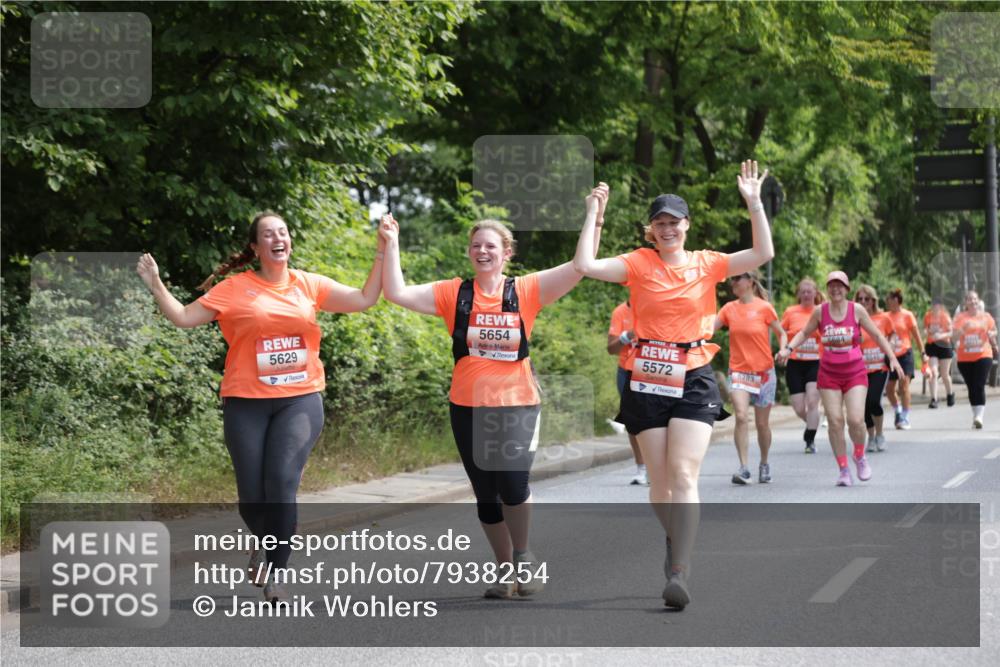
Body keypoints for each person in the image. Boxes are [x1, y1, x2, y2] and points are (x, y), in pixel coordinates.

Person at [135, 210, 386, 603]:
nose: (277, 238)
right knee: (252, 496)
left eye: (283, 232)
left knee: (281, 483)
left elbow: (366, 298)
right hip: (246, 401)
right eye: (268, 234)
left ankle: (277, 572)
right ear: (255, 247)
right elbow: (184, 317)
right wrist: (156, 285)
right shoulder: (235, 288)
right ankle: (264, 542)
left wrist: (383, 251)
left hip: (300, 399)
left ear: (289, 242)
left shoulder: (308, 284)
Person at [380, 184, 609, 600]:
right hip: (466, 406)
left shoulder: (526, 291)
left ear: (507, 253)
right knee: (485, 494)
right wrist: (390, 244)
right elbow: (395, 293)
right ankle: (504, 571)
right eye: (476, 246)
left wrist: (593, 215)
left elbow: (579, 266)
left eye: (491, 246)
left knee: (513, 483)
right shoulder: (454, 292)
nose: (482, 251)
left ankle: (523, 555)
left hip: (517, 403)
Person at [574, 159, 773, 610]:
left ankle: (681, 570)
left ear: (687, 225)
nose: (667, 229)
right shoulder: (638, 263)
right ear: (651, 230)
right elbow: (584, 264)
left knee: (684, 474)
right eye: (659, 223)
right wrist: (593, 216)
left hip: (695, 373)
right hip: (647, 375)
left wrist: (754, 203)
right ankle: (673, 539)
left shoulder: (707, 263)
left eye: (674, 222)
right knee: (660, 484)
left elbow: (761, 255)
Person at [777, 272, 904, 487]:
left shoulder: (857, 310)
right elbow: (804, 332)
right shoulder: (820, 311)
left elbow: (877, 335)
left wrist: (893, 359)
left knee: (856, 420)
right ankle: (844, 469)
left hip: (854, 371)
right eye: (831, 286)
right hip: (829, 373)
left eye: (840, 286)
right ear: (827, 289)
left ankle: (859, 455)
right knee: (835, 422)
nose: (835, 289)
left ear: (846, 288)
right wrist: (788, 349)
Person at [714, 272, 786, 484]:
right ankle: (744, 468)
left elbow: (781, 332)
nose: (733, 282)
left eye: (737, 278)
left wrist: (783, 350)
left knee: (762, 424)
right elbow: (707, 330)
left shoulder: (764, 307)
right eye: (732, 279)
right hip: (739, 372)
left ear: (750, 282)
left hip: (763, 373)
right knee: (742, 416)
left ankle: (764, 463)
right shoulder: (729, 309)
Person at [780, 279, 824, 453]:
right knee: (799, 407)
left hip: (816, 362)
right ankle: (812, 422)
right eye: (803, 292)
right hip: (796, 363)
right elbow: (781, 331)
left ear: (815, 293)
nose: (806, 294)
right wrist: (784, 348)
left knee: (813, 401)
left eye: (809, 291)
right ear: (798, 294)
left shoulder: (821, 311)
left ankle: (810, 439)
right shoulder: (791, 312)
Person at [608, 299, 647, 485]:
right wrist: (626, 337)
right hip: (626, 370)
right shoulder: (620, 312)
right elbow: (611, 349)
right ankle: (642, 468)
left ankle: (661, 465)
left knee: (657, 419)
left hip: (651, 370)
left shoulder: (655, 305)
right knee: (632, 420)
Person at [855, 284, 896, 453]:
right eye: (860, 299)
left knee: (873, 401)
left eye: (867, 299)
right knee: (863, 405)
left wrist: (890, 346)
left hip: (879, 367)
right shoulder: (853, 318)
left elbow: (892, 335)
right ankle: (871, 437)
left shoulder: (883, 318)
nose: (864, 302)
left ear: (873, 301)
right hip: (860, 368)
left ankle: (880, 434)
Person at [952, 290, 998, 429]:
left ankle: (979, 416)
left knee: (979, 384)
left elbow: (994, 330)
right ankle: (975, 414)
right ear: (966, 303)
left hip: (983, 355)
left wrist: (992, 333)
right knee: (971, 387)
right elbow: (953, 337)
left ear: (978, 301)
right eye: (970, 299)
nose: (973, 302)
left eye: (975, 299)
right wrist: (961, 331)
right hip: (965, 358)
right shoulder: (960, 318)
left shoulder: (986, 317)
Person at [884, 288, 924, 430]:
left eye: (889, 299)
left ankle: (906, 416)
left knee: (904, 386)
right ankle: (898, 410)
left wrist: (923, 353)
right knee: (889, 389)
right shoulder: (885, 316)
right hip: (890, 356)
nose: (887, 302)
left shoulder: (907, 315)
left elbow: (917, 335)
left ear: (896, 300)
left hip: (905, 354)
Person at [923, 297, 955, 408]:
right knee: (933, 372)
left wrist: (940, 335)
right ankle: (934, 399)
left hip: (944, 346)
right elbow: (925, 329)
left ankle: (950, 394)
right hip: (932, 346)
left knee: (945, 375)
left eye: (937, 304)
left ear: (941, 306)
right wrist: (927, 331)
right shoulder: (928, 315)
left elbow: (951, 332)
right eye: (933, 304)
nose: (935, 306)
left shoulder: (945, 316)